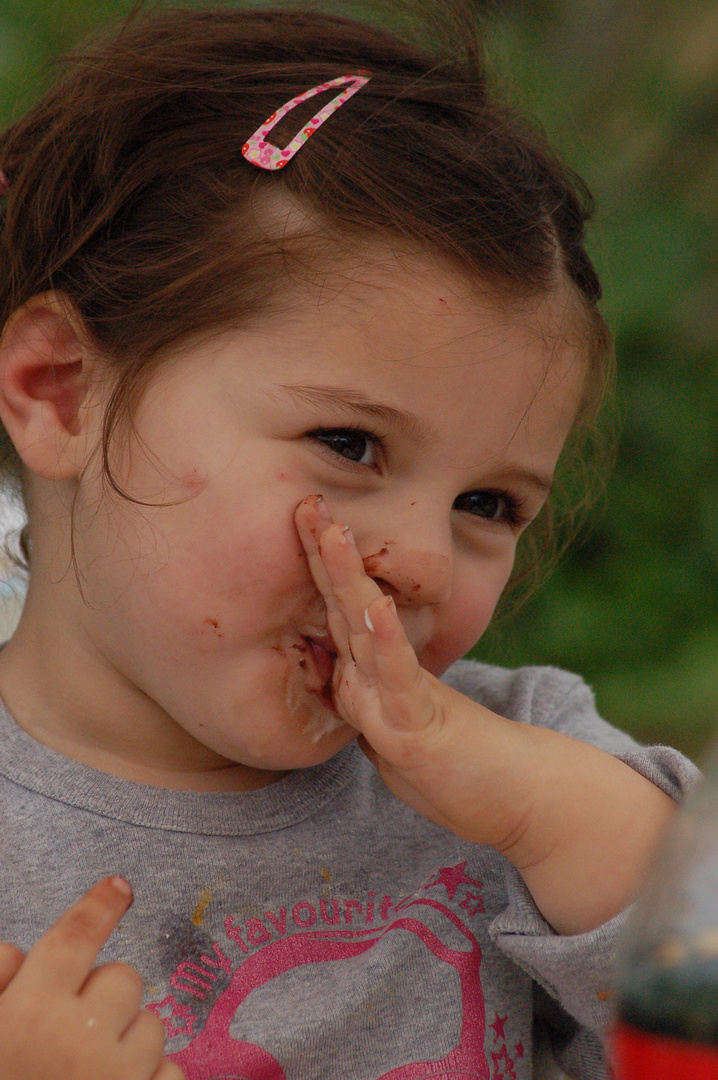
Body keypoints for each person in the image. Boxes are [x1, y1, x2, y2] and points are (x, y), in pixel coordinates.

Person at [0, 4, 698, 1078]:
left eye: (489, 506)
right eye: (348, 443)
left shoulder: (526, 770)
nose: (418, 559)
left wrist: (536, 813)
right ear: (60, 394)